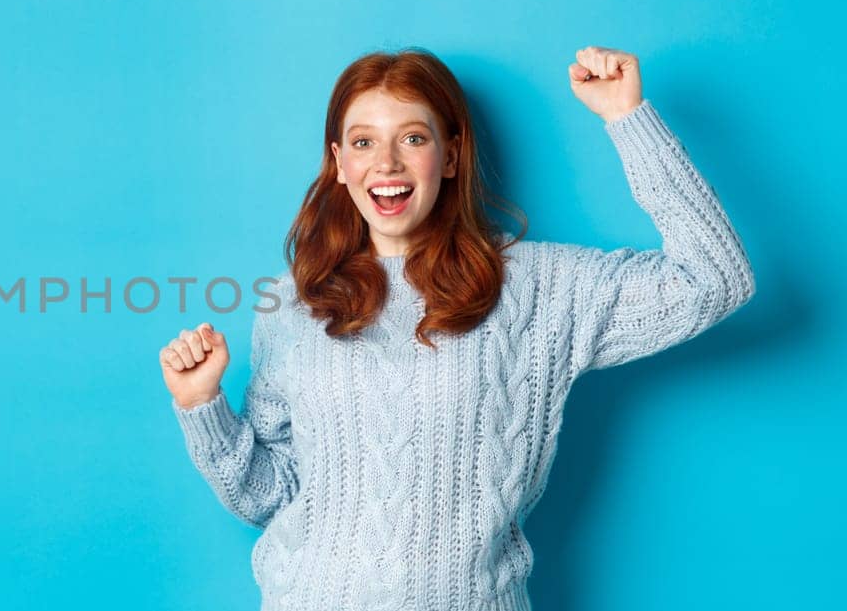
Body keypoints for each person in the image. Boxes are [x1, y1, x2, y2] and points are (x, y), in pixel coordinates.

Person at [158, 46, 755, 611]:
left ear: (450, 155)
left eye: (412, 138)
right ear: (339, 163)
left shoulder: (538, 288)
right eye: (364, 142)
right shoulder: (293, 303)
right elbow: (270, 497)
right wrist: (202, 406)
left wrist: (628, 118)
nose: (386, 164)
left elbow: (715, 279)